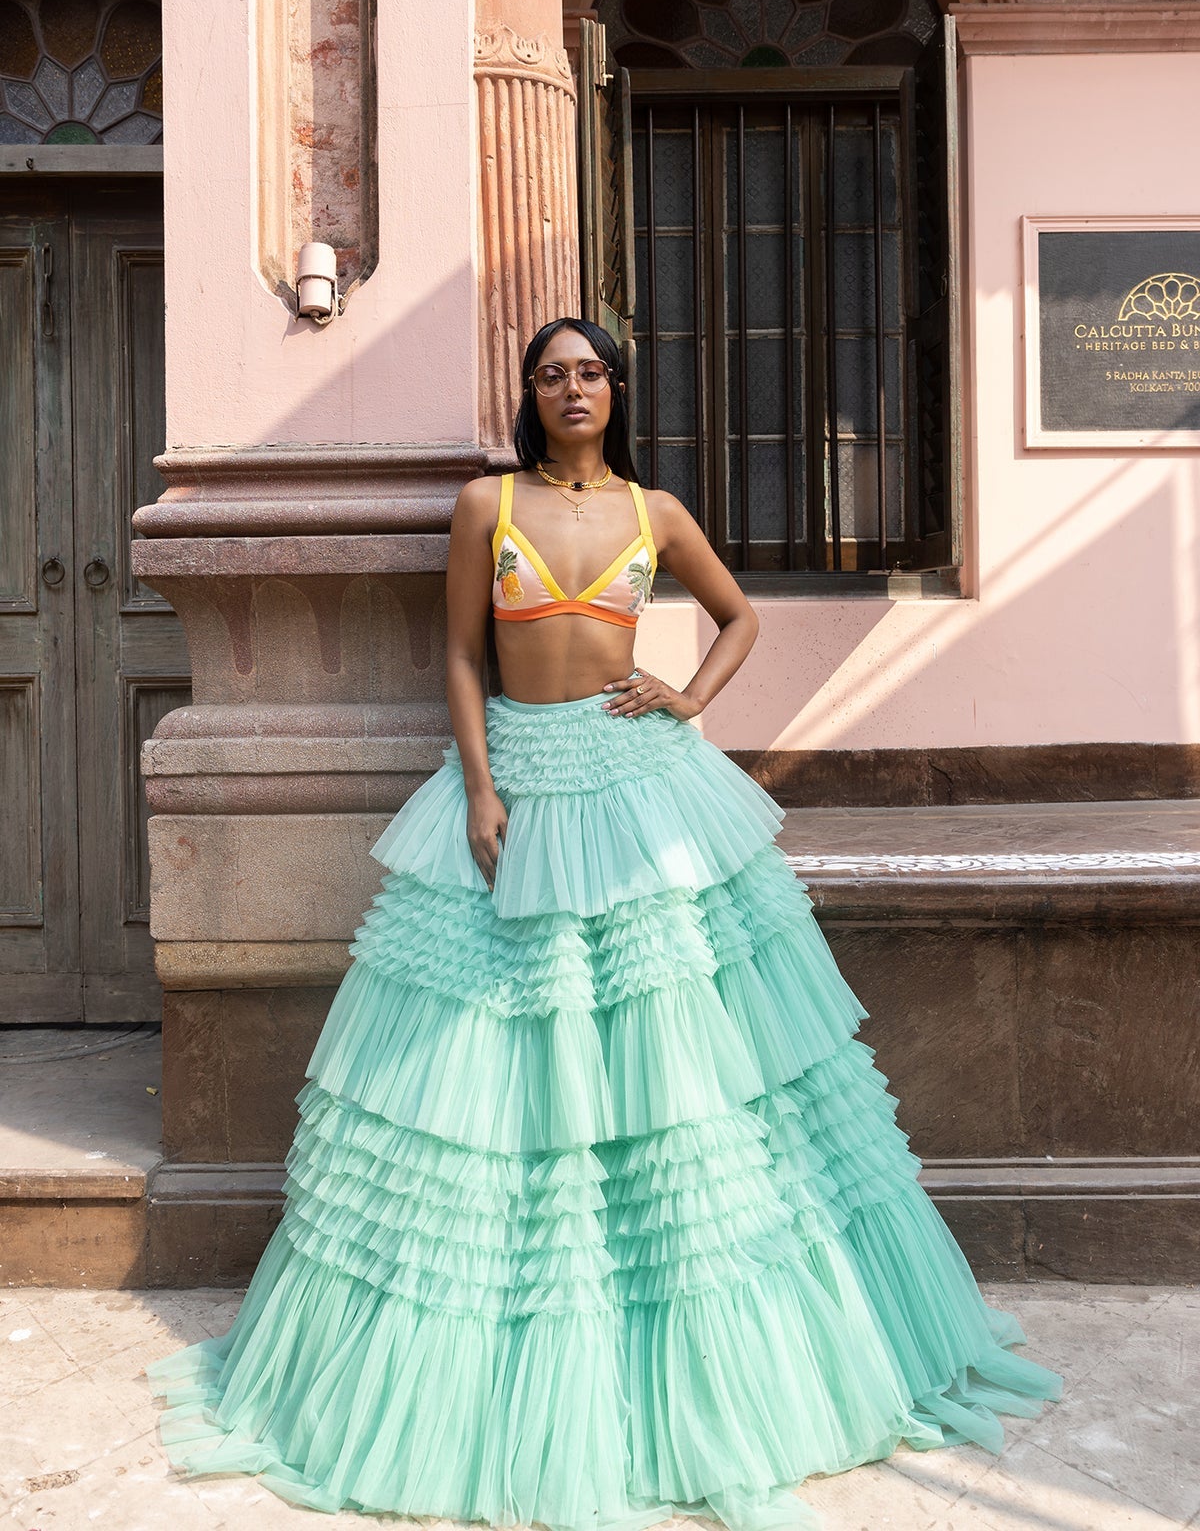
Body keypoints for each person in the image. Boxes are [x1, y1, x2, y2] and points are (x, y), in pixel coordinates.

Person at [145, 316, 1062, 1531]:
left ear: (618, 390)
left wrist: (688, 694)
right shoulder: (489, 506)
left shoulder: (655, 513)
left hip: (640, 786)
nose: (572, 388)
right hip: (521, 781)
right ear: (529, 392)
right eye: (550, 373)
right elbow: (464, 659)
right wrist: (478, 786)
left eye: (590, 372)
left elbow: (739, 617)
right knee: (505, 1047)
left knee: (675, 1053)